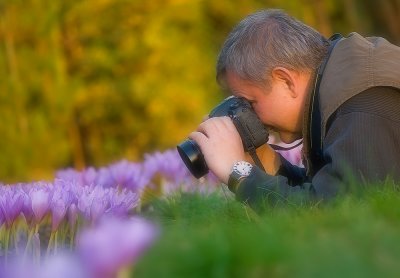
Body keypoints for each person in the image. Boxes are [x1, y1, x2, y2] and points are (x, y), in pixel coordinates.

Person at [189, 9, 400, 209]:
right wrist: (263, 159)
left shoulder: (361, 104)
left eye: (250, 103)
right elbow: (322, 191)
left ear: (286, 81)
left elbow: (333, 212)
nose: (251, 116)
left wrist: (236, 171)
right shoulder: (339, 81)